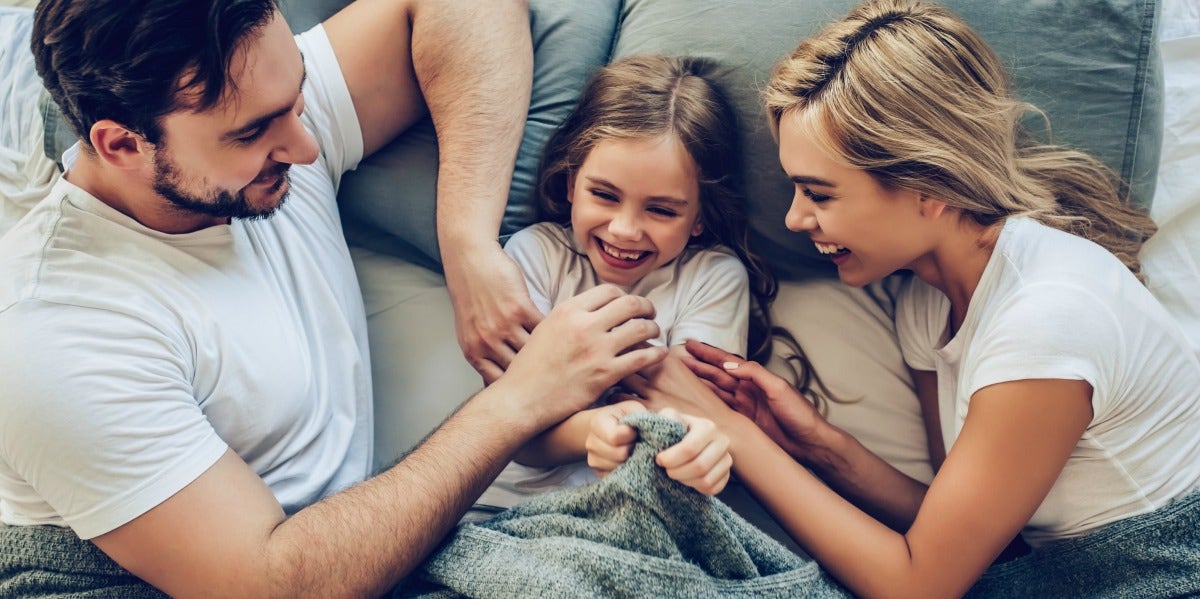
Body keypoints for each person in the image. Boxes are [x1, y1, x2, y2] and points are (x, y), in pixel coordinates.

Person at [0, 1, 670, 597]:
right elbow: (271, 584)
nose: (306, 143)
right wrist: (521, 398)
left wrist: (466, 239)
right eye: (254, 132)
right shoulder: (54, 328)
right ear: (121, 144)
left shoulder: (254, 104)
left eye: (297, 94)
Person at [610, 0, 1200, 596]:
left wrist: (734, 434)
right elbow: (950, 527)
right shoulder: (928, 298)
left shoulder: (1046, 319)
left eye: (819, 194)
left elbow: (919, 586)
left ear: (929, 186)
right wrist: (821, 447)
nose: (794, 219)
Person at [475, 55, 778, 512]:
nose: (623, 230)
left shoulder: (712, 277)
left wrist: (674, 439)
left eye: (661, 210)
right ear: (572, 183)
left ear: (699, 218)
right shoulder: (533, 256)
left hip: (642, 513)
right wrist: (595, 429)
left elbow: (691, 415)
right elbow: (515, 430)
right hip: (510, 511)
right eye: (604, 195)